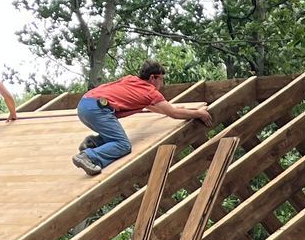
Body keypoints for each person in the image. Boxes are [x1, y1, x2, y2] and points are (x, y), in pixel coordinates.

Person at [72, 60, 210, 175]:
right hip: (98, 109)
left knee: (115, 137)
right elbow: (174, 114)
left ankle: (93, 143)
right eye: (161, 79)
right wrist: (200, 113)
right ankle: (88, 156)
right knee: (123, 145)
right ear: (152, 78)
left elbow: (154, 108)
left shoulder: (131, 80)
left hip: (84, 104)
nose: (162, 84)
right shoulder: (150, 92)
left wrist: (175, 110)